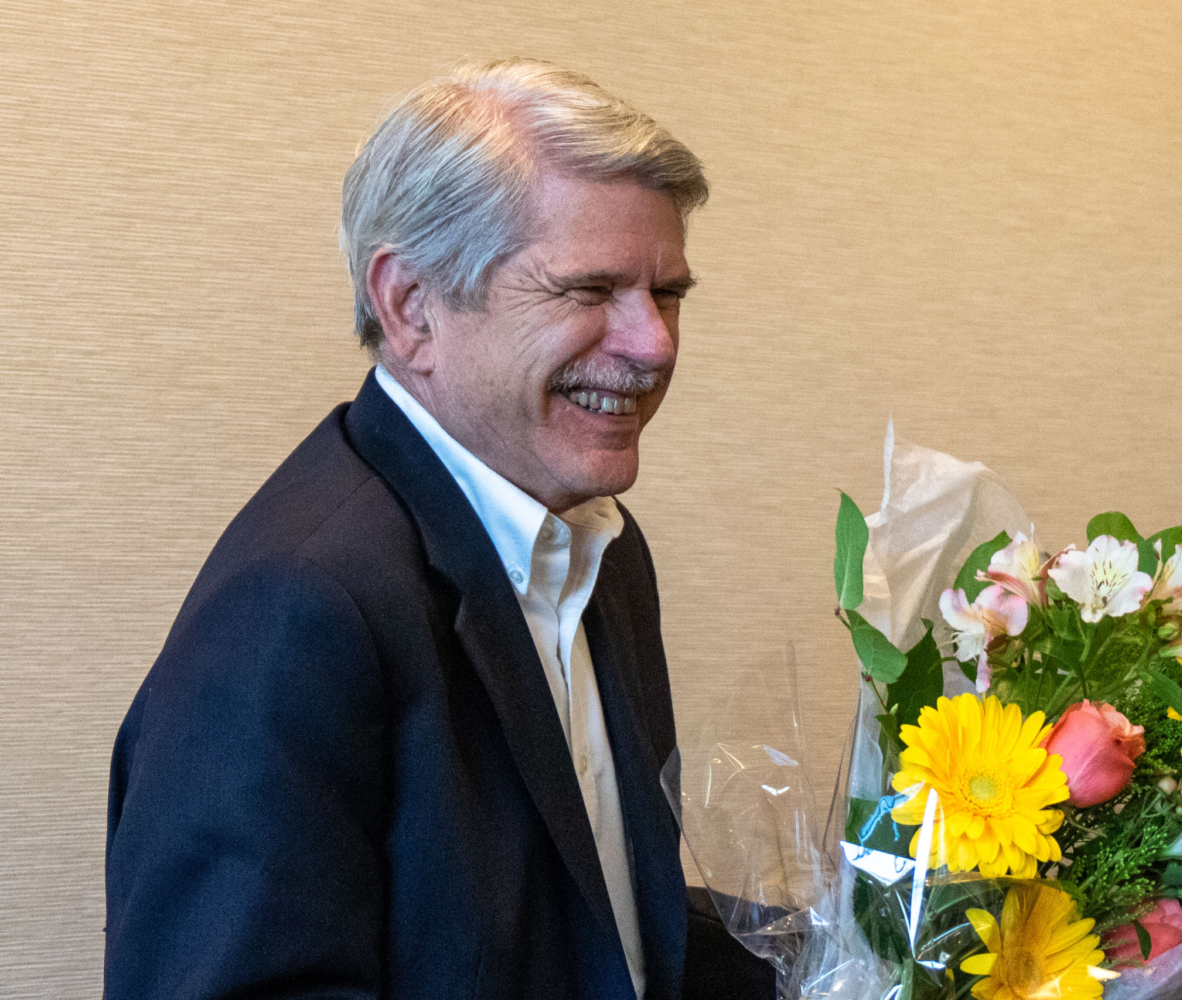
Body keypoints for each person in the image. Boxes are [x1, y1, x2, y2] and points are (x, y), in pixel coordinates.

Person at [104, 59, 771, 1000]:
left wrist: (881, 939)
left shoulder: (602, 551)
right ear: (411, 308)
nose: (653, 344)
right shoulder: (295, 608)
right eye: (589, 291)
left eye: (667, 295)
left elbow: (597, 928)